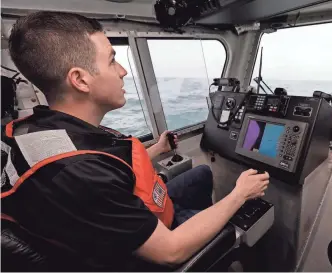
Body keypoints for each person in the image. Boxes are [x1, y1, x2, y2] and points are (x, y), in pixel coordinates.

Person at [1, 11, 270, 270]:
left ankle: (196, 220)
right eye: (111, 60)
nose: (122, 71)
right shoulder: (78, 175)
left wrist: (157, 150)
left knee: (200, 174)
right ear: (80, 80)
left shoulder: (44, 129)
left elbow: (106, 163)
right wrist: (240, 194)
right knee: (237, 219)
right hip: (152, 248)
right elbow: (171, 252)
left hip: (139, 212)